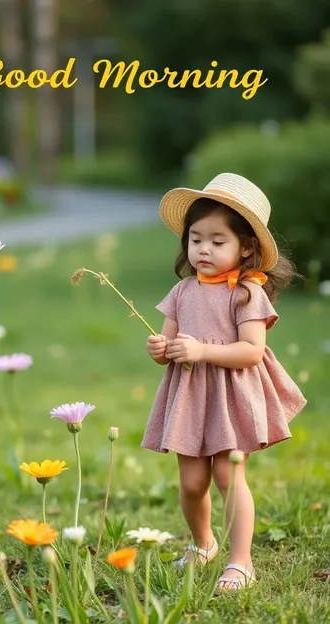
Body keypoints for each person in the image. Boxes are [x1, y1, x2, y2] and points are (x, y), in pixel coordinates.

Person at [141, 172, 306, 592]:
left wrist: (202, 351)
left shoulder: (247, 294)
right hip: (192, 396)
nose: (204, 250)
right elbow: (173, 343)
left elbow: (252, 351)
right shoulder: (182, 292)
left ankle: (241, 562)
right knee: (193, 482)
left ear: (246, 247)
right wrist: (163, 350)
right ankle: (202, 544)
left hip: (232, 396)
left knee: (229, 478)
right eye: (197, 239)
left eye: (218, 241)